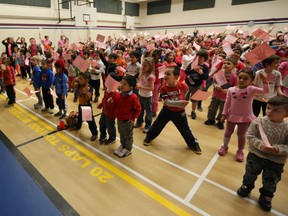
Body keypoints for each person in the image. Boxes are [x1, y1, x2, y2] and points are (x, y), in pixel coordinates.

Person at [237, 96, 288, 212]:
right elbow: (250, 135)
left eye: (276, 110)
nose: (270, 111)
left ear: (286, 114)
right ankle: (246, 186)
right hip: (256, 155)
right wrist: (260, 145)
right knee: (250, 173)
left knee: (271, 180)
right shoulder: (258, 121)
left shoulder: (286, 128)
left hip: (276, 161)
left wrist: (277, 149)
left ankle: (266, 196)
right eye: (268, 108)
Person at [143, 66, 202, 154]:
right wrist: (181, 103)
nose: (165, 76)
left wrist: (185, 100)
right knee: (157, 125)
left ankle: (193, 143)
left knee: (185, 129)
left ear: (176, 77)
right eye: (165, 74)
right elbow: (167, 102)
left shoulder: (183, 85)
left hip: (179, 112)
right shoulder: (163, 88)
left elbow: (186, 92)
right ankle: (149, 137)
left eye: (168, 74)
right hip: (166, 111)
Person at [218, 68, 269, 162]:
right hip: (231, 116)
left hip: (245, 117)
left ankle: (240, 150)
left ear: (251, 81)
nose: (242, 80)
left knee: (241, 135)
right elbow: (227, 103)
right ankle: (224, 146)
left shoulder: (251, 89)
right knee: (228, 132)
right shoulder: (231, 90)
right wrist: (224, 114)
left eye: (245, 78)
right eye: (240, 77)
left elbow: (265, 91)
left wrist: (264, 81)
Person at [204, 57, 238, 129]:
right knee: (212, 108)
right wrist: (216, 86)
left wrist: (228, 90)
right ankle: (211, 119)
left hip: (226, 97)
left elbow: (235, 87)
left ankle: (220, 121)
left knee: (223, 110)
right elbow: (214, 82)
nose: (225, 65)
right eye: (224, 63)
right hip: (216, 95)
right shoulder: (219, 73)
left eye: (228, 64)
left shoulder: (234, 77)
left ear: (234, 66)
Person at [113, 75, 141, 157]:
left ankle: (128, 149)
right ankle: (123, 145)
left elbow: (138, 109)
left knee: (128, 136)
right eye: (121, 83)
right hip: (119, 119)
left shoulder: (133, 97)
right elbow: (117, 104)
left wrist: (133, 118)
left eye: (124, 84)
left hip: (127, 121)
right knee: (121, 133)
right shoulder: (119, 95)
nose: (121, 85)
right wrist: (112, 101)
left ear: (131, 87)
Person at [71, 72, 98, 141]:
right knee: (80, 118)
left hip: (86, 107)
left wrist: (86, 92)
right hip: (80, 105)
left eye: (80, 79)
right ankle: (78, 126)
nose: (79, 80)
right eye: (79, 78)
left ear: (87, 80)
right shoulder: (79, 85)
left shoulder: (89, 87)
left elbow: (88, 97)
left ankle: (94, 133)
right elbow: (72, 86)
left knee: (90, 121)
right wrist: (74, 80)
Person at [185, 49, 209, 119]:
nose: (198, 59)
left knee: (194, 99)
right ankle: (182, 109)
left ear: (204, 58)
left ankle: (193, 111)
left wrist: (201, 73)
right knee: (185, 97)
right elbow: (186, 72)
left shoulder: (205, 67)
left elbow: (206, 77)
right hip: (188, 84)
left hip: (197, 85)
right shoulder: (192, 64)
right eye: (197, 57)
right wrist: (193, 70)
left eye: (201, 58)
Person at [97, 73, 120, 145]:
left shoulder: (115, 94)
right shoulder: (107, 90)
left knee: (110, 127)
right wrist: (101, 105)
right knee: (101, 124)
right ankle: (103, 136)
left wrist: (112, 102)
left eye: (108, 79)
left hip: (110, 115)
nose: (106, 80)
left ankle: (112, 138)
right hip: (104, 112)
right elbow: (104, 99)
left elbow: (117, 106)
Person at [134, 57, 155, 133]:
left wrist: (140, 87)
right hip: (140, 95)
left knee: (148, 112)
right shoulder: (142, 74)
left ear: (150, 67)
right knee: (140, 110)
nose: (143, 67)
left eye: (145, 66)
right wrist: (138, 84)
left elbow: (151, 88)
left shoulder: (150, 77)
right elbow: (141, 82)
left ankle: (148, 125)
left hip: (147, 97)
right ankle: (139, 122)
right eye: (143, 65)